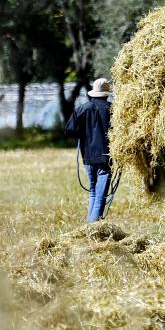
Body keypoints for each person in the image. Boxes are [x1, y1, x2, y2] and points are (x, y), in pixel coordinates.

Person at [65, 78, 113, 222]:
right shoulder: (112, 109)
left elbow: (69, 131)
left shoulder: (82, 108)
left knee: (93, 192)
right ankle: (92, 227)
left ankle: (89, 226)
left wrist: (82, 132)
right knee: (100, 196)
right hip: (105, 157)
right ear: (106, 94)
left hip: (87, 157)